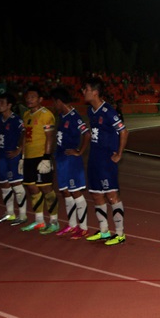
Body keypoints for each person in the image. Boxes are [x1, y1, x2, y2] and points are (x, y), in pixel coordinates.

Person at [82, 77, 129, 246]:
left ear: (95, 92)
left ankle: (120, 233)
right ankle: (103, 231)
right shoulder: (90, 111)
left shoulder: (108, 111)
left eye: (86, 89)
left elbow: (124, 132)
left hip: (106, 161)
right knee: (96, 194)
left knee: (111, 195)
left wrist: (119, 154)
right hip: (94, 159)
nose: (83, 92)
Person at [17, 85, 60, 234]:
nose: (29, 100)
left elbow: (50, 137)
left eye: (33, 97)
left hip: (41, 157)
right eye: (27, 97)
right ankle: (39, 220)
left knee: (46, 188)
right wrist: (22, 157)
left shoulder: (46, 115)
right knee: (32, 188)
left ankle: (54, 221)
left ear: (40, 99)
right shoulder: (26, 114)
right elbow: (25, 137)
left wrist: (46, 158)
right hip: (29, 157)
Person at [50, 87, 91, 239]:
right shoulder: (62, 116)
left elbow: (87, 134)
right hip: (61, 159)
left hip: (71, 161)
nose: (54, 105)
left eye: (54, 102)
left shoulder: (74, 117)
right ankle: (72, 225)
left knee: (75, 192)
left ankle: (84, 227)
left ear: (59, 101)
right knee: (66, 192)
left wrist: (79, 151)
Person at [0, 92, 27, 223]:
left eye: (2, 103)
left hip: (13, 157)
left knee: (16, 184)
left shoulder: (16, 120)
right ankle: (10, 213)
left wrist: (19, 149)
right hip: (2, 156)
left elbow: (25, 134)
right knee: (3, 183)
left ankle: (23, 215)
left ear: (9, 105)